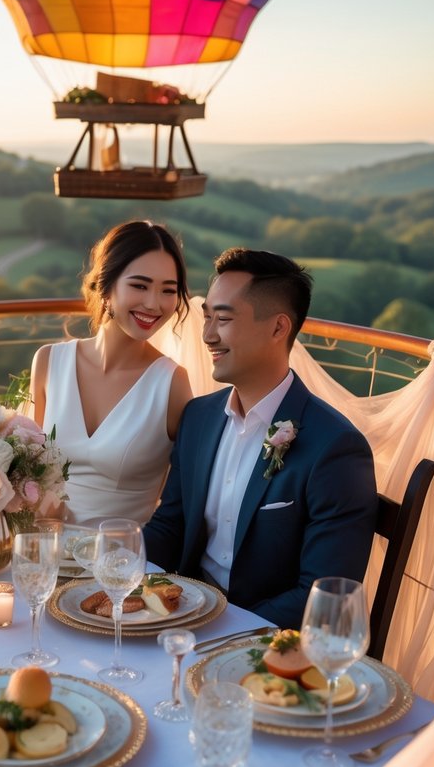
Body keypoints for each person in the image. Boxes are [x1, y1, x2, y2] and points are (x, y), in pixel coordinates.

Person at [143, 248, 377, 628]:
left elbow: (322, 597)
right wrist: (106, 564)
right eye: (207, 317)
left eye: (223, 319)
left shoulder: (335, 449)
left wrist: (217, 629)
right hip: (182, 616)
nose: (208, 335)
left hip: (258, 640)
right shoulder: (199, 417)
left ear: (278, 328)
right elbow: (170, 527)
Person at [30, 220, 193, 526]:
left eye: (168, 290)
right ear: (106, 286)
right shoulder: (49, 361)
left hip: (120, 563)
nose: (153, 303)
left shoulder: (172, 384)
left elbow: (180, 497)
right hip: (44, 549)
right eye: (140, 285)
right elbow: (27, 473)